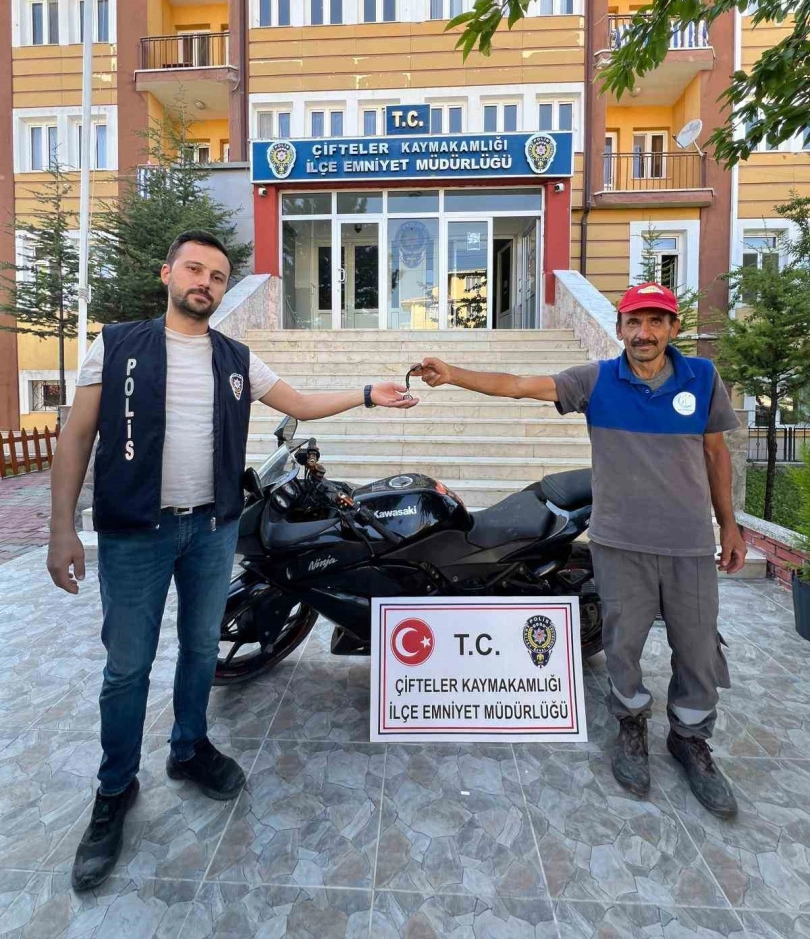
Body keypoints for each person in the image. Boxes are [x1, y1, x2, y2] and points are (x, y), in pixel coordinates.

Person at [47, 230, 418, 892]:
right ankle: (114, 789)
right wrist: (60, 528)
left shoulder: (235, 358)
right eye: (195, 269)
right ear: (168, 273)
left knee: (200, 649)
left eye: (217, 276)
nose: (206, 283)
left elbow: (299, 404)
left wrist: (368, 392)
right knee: (127, 667)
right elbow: (76, 436)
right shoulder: (118, 345)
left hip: (212, 529)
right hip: (134, 533)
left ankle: (189, 748)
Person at [411, 282, 746, 818]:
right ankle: (631, 726)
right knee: (622, 645)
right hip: (619, 541)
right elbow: (519, 385)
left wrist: (729, 525)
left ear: (673, 328)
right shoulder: (596, 380)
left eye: (655, 321)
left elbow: (716, 453)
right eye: (634, 322)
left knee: (699, 648)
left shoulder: (702, 378)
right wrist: (453, 373)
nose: (643, 333)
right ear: (619, 328)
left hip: (687, 543)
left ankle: (689, 738)